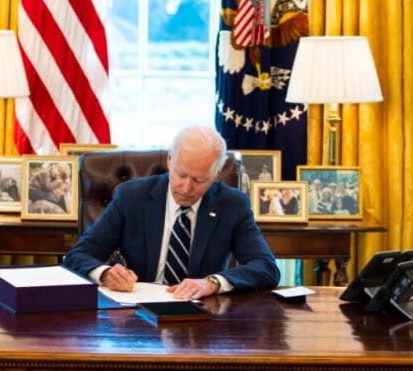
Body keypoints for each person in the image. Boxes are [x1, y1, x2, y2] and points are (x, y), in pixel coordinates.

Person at [63, 125, 280, 299]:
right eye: (181, 174)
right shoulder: (131, 197)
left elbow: (265, 267)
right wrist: (105, 274)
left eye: (199, 180)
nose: (186, 188)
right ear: (170, 160)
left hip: (203, 316)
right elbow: (78, 256)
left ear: (216, 173)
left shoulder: (233, 205)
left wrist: (212, 283)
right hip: (138, 314)